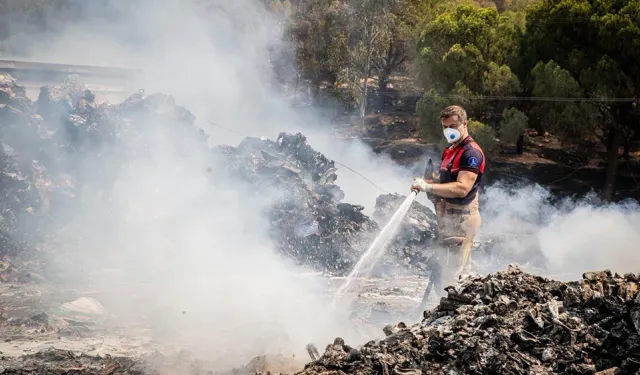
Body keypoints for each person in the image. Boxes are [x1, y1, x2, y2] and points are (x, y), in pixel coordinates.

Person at [410, 105, 486, 298]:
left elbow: (461, 188)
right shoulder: (451, 150)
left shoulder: (471, 154)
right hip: (448, 220)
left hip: (461, 221)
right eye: (445, 127)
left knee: (451, 279)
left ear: (464, 124)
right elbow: (446, 181)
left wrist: (429, 188)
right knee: (451, 275)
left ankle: (457, 318)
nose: (448, 131)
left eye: (453, 125)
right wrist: (428, 182)